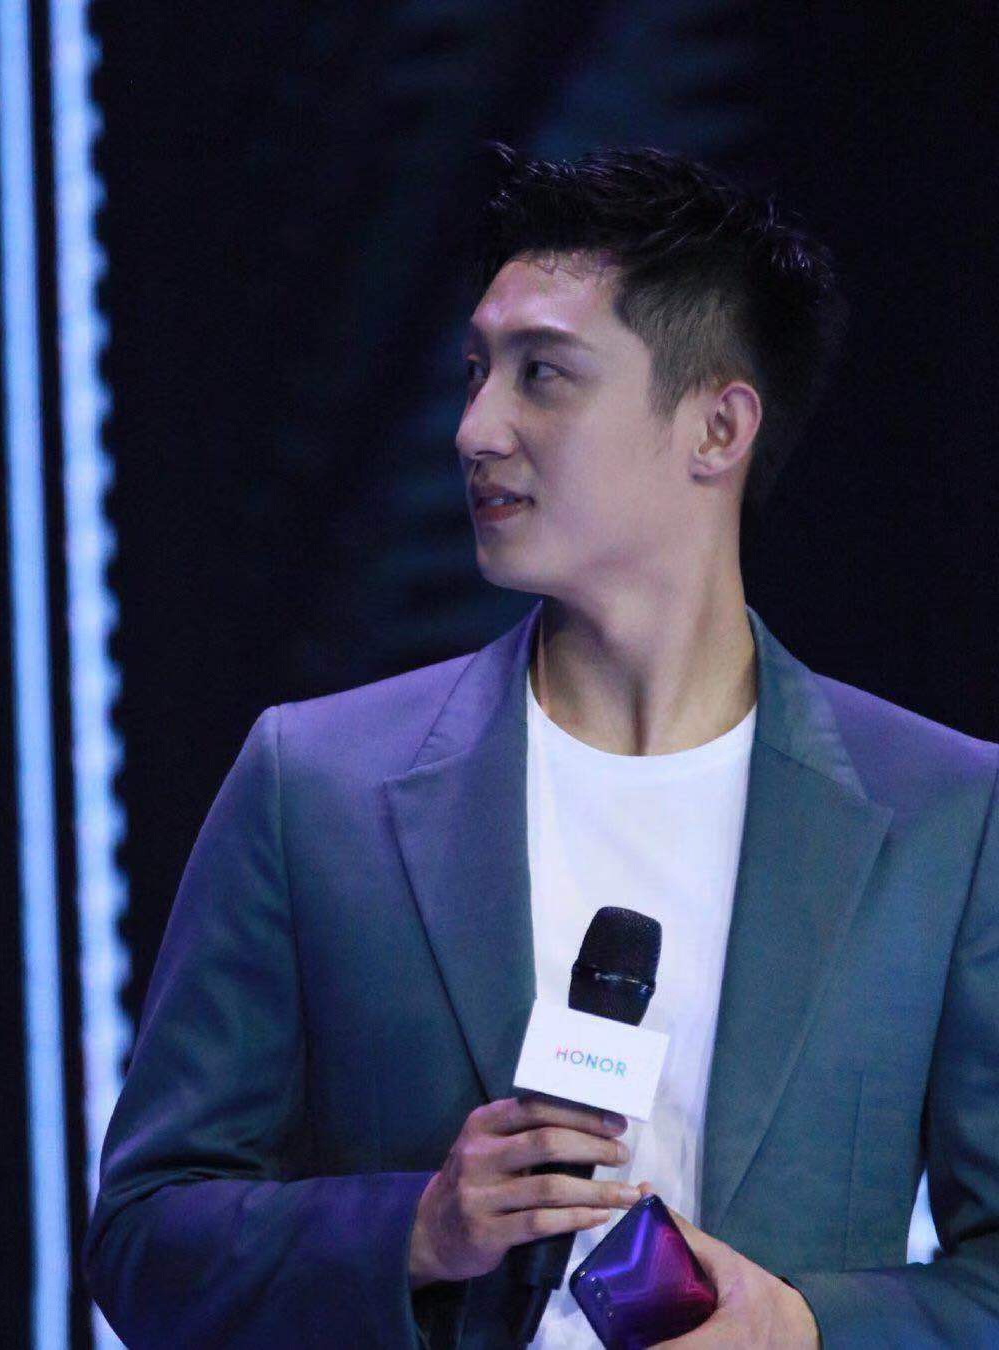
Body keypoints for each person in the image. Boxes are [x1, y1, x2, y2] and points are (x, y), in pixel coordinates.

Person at [82, 147, 999, 1348]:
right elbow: (145, 1236)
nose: (475, 428)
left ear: (717, 426)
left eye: (543, 375)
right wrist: (415, 1232)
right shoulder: (317, 786)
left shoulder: (941, 814)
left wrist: (804, 1329)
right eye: (475, 371)